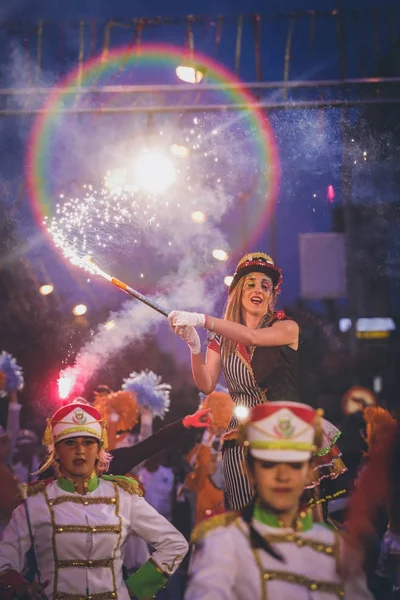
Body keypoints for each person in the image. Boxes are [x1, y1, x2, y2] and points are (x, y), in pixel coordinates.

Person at [169, 251, 345, 510]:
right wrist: (194, 347)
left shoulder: (286, 327)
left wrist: (202, 319)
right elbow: (206, 384)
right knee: (244, 517)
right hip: (238, 438)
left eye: (266, 286)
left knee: (284, 517)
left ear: (272, 295)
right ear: (239, 292)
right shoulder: (220, 338)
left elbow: (252, 338)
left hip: (281, 431)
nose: (258, 289)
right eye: (250, 283)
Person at [0, 399, 188, 600]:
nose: (80, 450)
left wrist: (136, 589)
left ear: (100, 450)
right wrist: (18, 586)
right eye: (70, 442)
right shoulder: (33, 504)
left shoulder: (124, 496)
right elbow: (4, 560)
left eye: (88, 442)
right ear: (56, 451)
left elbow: (175, 544)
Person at [185, 401, 373, 600]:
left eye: (294, 465)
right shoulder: (223, 541)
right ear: (249, 470)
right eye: (269, 464)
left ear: (310, 472)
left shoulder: (337, 549)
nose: (282, 476)